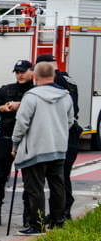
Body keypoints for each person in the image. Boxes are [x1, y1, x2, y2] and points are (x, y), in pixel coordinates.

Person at [11, 60, 74, 234]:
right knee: (58, 186)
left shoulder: (31, 97)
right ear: (53, 75)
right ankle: (58, 221)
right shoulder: (66, 95)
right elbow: (69, 121)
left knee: (35, 189)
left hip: (36, 149)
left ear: (34, 76)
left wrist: (15, 144)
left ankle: (36, 225)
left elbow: (21, 123)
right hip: (59, 148)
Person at [0, 60, 34, 228]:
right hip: (6, 139)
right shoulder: (6, 90)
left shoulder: (35, 91)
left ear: (31, 72)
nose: (20, 74)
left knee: (30, 180)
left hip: (28, 140)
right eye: (17, 71)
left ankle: (28, 215)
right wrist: (2, 109)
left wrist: (21, 106)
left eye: (23, 71)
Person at [34, 54, 80, 220]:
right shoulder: (68, 78)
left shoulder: (56, 82)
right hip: (71, 131)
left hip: (62, 133)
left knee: (58, 177)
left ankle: (61, 212)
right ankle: (62, 211)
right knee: (62, 175)